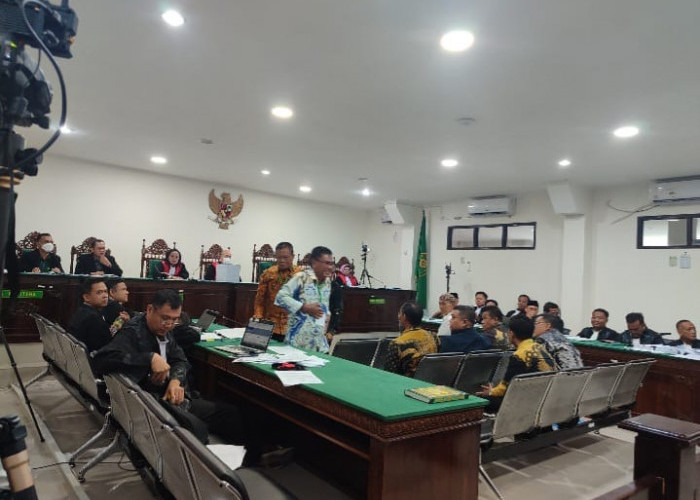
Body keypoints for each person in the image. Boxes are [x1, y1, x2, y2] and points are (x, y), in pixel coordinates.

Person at [93, 290, 254, 448]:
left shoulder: (164, 330)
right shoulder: (132, 332)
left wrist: (176, 381)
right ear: (150, 310)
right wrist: (150, 358)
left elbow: (180, 359)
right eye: (165, 318)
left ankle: (240, 457)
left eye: (174, 320)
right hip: (151, 404)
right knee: (198, 429)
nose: (169, 324)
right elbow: (101, 359)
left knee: (230, 413)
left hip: (169, 396)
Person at [477, 316, 557, 412]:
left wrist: (490, 392)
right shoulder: (540, 347)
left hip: (526, 403)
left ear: (511, 333)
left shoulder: (519, 356)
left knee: (481, 400)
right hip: (547, 398)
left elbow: (504, 388)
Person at [275, 246, 334, 352]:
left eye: (331, 263)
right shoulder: (301, 277)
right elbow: (280, 297)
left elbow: (324, 304)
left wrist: (327, 314)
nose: (330, 267)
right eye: (327, 263)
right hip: (298, 342)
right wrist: (304, 307)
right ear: (314, 262)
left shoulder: (327, 282)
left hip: (319, 342)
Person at [253, 242, 303, 341]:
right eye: (279, 257)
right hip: (269, 326)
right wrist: (258, 317)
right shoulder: (268, 274)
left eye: (285, 257)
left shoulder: (301, 275)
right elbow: (259, 301)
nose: (282, 261)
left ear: (292, 256)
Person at [384, 301, 438, 377]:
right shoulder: (434, 336)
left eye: (400, 313)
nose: (398, 316)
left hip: (406, 382)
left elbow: (388, 374)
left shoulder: (397, 343)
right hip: (430, 381)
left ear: (404, 317)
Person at [68, 278, 112, 353]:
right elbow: (105, 348)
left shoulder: (82, 311)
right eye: (99, 292)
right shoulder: (93, 318)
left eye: (105, 292)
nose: (105, 296)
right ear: (86, 297)